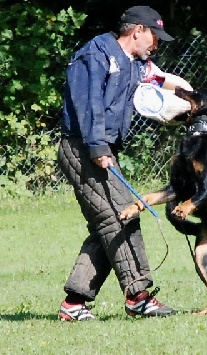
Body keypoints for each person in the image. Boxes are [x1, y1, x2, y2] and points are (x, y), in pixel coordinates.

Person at [57, 5, 192, 321]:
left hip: (98, 149)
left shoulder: (135, 63)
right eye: (154, 37)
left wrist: (197, 99)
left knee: (108, 225)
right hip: (83, 148)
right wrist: (98, 146)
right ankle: (138, 296)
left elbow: (163, 80)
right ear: (138, 31)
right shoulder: (95, 55)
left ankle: (74, 303)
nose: (155, 45)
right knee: (121, 218)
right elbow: (87, 105)